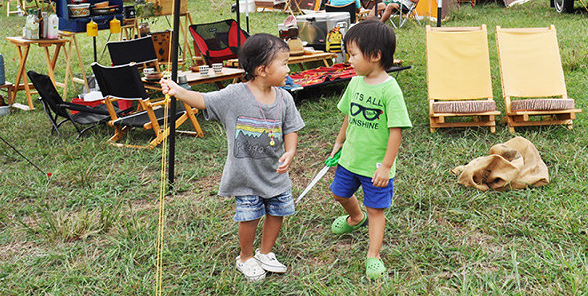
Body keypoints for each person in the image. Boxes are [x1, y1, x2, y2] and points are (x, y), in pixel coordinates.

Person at [160, 34, 304, 282]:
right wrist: (179, 91)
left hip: (275, 172)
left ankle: (266, 253)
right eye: (284, 64)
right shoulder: (234, 95)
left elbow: (290, 129)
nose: (288, 69)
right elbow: (204, 101)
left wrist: (290, 151)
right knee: (249, 216)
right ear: (262, 70)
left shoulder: (285, 98)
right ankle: (246, 257)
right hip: (245, 175)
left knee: (277, 211)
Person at [327, 19, 412, 279]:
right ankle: (355, 218)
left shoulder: (390, 90)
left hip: (376, 167)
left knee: (376, 210)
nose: (349, 60)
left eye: (353, 54)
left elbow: (396, 130)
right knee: (339, 194)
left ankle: (373, 255)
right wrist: (339, 142)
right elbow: (349, 116)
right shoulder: (355, 83)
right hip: (350, 159)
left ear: (375, 56)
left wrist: (386, 166)